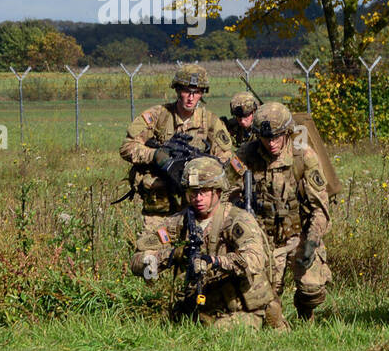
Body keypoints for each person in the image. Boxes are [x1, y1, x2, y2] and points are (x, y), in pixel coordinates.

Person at [130, 157, 274, 329]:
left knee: (217, 334)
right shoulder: (181, 222)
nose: (197, 198)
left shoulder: (236, 220)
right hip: (202, 308)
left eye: (204, 192)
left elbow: (255, 259)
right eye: (192, 192)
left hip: (241, 309)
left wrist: (216, 262)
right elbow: (138, 260)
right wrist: (170, 256)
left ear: (218, 192)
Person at [235, 102, 331, 322]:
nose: (271, 143)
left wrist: (312, 241)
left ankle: (305, 312)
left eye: (277, 137)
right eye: (266, 138)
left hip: (299, 235)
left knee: (312, 290)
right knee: (264, 303)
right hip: (263, 238)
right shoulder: (246, 155)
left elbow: (320, 208)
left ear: (287, 132)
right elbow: (224, 192)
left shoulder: (303, 156)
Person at [119, 63, 239, 232]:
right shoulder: (158, 116)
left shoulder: (210, 122)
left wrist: (203, 166)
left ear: (202, 94)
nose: (191, 97)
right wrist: (155, 155)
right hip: (161, 205)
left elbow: (226, 158)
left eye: (196, 92)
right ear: (177, 90)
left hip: (197, 204)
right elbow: (127, 147)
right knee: (152, 250)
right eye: (186, 91)